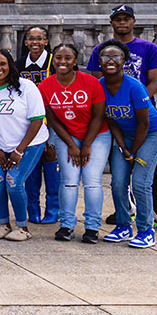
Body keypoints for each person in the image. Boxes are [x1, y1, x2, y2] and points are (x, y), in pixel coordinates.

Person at [84, 5, 157, 235]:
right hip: (117, 120)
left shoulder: (148, 48)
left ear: (133, 21)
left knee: (151, 173)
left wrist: (136, 100)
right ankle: (124, 213)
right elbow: (100, 87)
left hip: (144, 117)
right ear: (111, 23)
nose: (122, 23)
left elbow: (155, 81)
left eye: (126, 19)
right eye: (117, 19)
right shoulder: (100, 50)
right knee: (120, 175)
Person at [96, 40, 157, 248]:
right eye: (106, 57)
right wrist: (123, 147)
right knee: (118, 182)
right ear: (99, 62)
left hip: (151, 134)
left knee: (140, 183)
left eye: (116, 57)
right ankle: (123, 226)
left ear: (124, 61)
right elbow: (111, 120)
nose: (111, 61)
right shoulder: (99, 86)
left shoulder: (135, 87)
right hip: (125, 136)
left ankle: (146, 231)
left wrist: (132, 153)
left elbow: (145, 124)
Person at [39, 43, 109, 244]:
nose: (63, 62)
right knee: (68, 181)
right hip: (66, 135)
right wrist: (71, 144)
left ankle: (92, 227)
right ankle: (67, 225)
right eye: (59, 58)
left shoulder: (91, 82)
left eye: (67, 58)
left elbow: (98, 116)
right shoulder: (45, 86)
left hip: (96, 135)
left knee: (92, 182)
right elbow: (52, 120)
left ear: (75, 61)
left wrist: (86, 145)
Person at [0, 51, 49, 242]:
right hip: (0, 145)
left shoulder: (26, 87)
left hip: (29, 144)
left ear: (10, 65)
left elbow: (37, 121)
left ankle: (22, 227)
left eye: (3, 64)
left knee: (13, 182)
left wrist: (19, 151)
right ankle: (3, 223)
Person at [17, 27, 59, 225]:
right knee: (31, 170)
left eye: (39, 38)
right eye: (31, 38)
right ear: (25, 42)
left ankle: (53, 210)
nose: (35, 42)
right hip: (28, 124)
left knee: (52, 167)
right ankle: (32, 210)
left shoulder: (55, 62)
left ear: (46, 41)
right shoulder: (18, 65)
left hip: (53, 121)